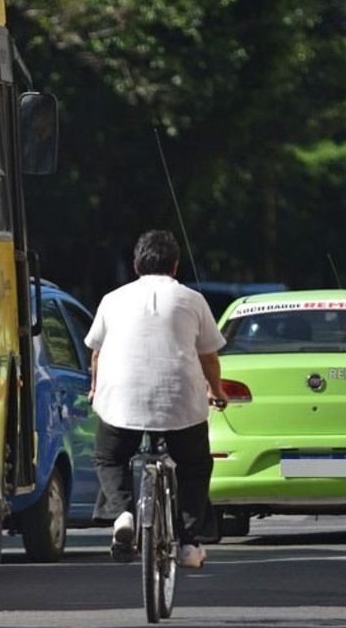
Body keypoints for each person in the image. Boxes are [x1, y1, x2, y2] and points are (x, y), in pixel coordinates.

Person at [84, 229, 228, 569]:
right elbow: (209, 357)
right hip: (181, 402)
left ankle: (122, 515)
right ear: (175, 266)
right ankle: (189, 543)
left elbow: (96, 354)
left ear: (136, 265)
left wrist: (94, 389)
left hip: (121, 401)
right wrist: (217, 390)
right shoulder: (192, 300)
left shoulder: (112, 300)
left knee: (110, 457)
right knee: (194, 466)